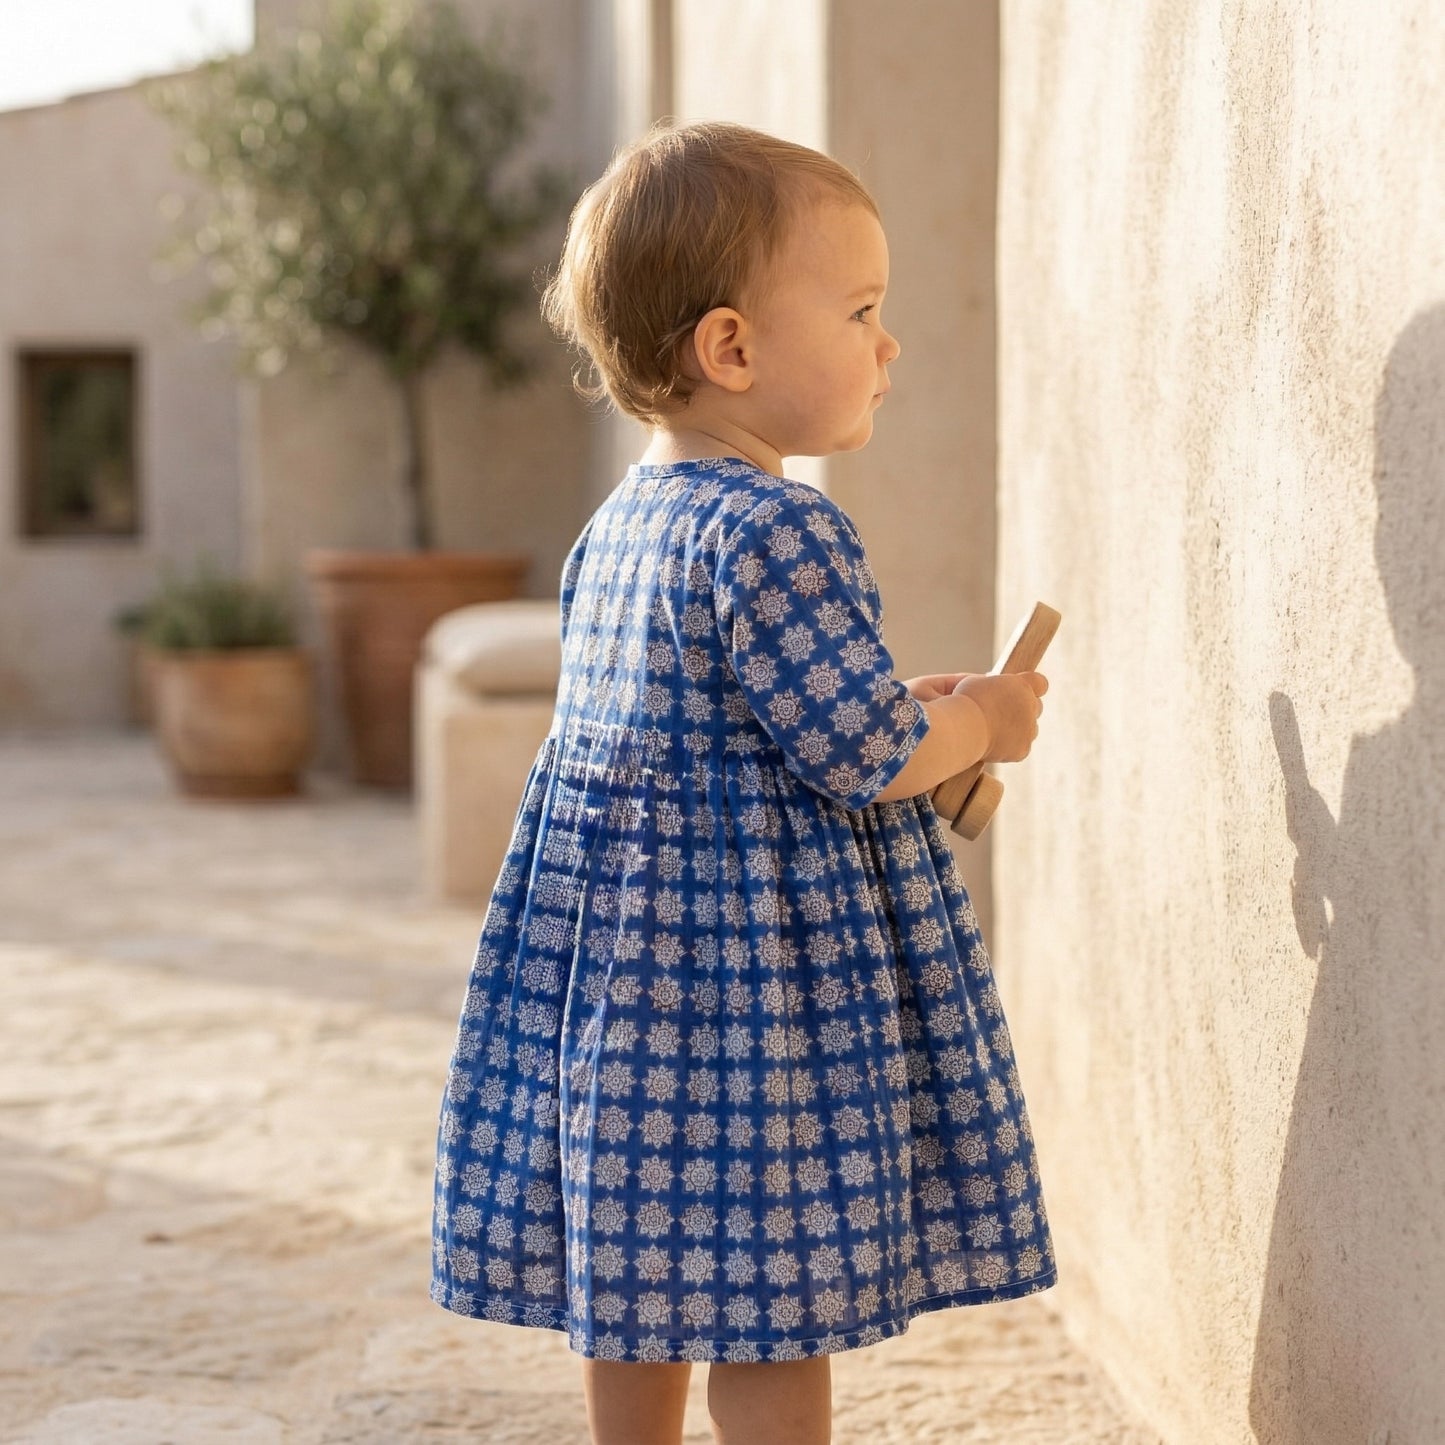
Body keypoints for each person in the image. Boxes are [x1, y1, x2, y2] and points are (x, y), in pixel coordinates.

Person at [430, 120, 1056, 1445]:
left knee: (643, 1268)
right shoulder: (779, 526)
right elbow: (862, 755)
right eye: (862, 310)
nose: (887, 344)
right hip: (750, 996)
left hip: (626, 987)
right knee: (771, 1286)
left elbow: (735, 717)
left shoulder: (618, 529)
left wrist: (905, 705)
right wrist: (983, 717)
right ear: (731, 349)